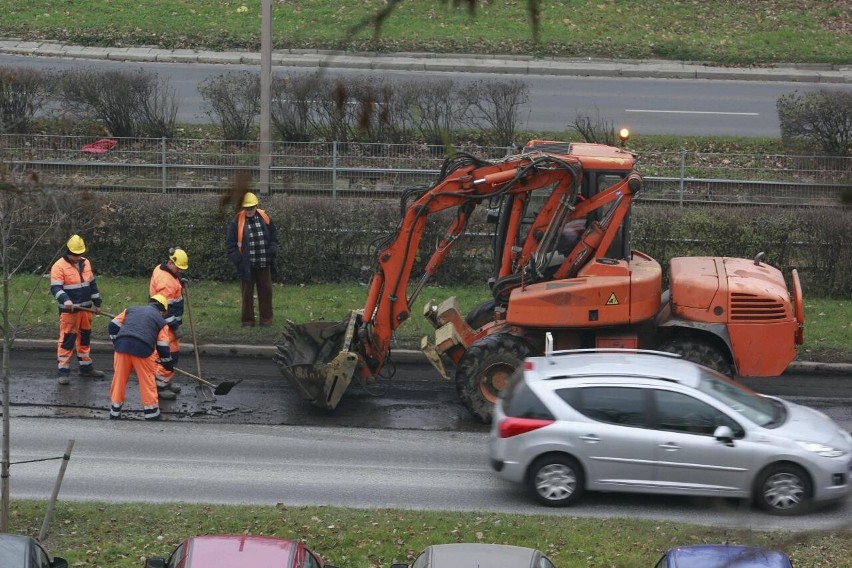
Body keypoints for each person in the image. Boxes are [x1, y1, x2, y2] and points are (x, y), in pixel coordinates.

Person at [107, 294, 173, 421]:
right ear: (163, 311)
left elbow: (113, 325)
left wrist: (117, 343)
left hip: (122, 348)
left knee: (119, 379)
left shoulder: (131, 309)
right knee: (147, 381)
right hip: (143, 350)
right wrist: (167, 364)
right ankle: (151, 413)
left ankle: (115, 411)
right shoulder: (161, 322)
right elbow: (163, 347)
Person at [49, 234, 105, 385]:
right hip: (69, 312)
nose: (79, 257)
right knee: (67, 341)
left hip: (86, 310)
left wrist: (97, 303)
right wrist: (65, 300)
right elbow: (56, 288)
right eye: (76, 254)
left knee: (85, 340)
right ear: (68, 252)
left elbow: (92, 284)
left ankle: (85, 368)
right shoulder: (58, 266)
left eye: (81, 254)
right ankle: (63, 371)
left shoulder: (86, 263)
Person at [226, 191, 279, 327]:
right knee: (247, 295)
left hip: (264, 263)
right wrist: (238, 260)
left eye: (251, 208)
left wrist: (273, 249)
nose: (249, 210)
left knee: (266, 293)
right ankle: (248, 321)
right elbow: (230, 245)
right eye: (246, 208)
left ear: (256, 206)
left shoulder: (265, 218)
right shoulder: (236, 222)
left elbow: (273, 236)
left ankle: (266, 320)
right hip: (246, 266)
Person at [149, 247, 189, 400]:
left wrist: (179, 280)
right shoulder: (166, 282)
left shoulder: (162, 269)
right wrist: (175, 326)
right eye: (179, 269)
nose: (180, 271)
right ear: (171, 263)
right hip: (166, 324)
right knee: (169, 355)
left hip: (166, 322)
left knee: (170, 353)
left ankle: (166, 381)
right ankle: (160, 387)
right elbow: (165, 310)